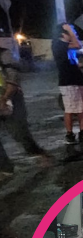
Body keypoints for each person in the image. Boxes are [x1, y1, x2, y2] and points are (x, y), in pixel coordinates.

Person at [0, 41, 51, 178]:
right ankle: (5, 168)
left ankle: (40, 153)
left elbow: (13, 79)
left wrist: (4, 99)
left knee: (20, 133)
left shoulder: (4, 54)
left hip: (11, 100)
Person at [51, 23, 83, 144]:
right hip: (68, 82)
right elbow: (78, 44)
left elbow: (76, 51)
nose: (75, 33)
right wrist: (69, 30)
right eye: (71, 31)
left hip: (77, 80)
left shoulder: (67, 46)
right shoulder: (58, 44)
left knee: (82, 108)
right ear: (63, 33)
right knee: (70, 109)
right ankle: (69, 134)